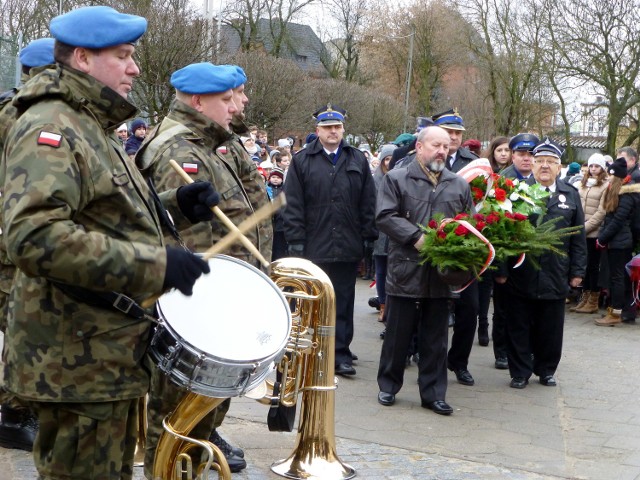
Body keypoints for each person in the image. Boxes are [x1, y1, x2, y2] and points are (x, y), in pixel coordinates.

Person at [1, 6, 216, 479]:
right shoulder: (51, 125)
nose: (135, 68)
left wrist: (174, 202)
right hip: (76, 359)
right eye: (123, 56)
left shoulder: (86, 119)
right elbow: (34, 236)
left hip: (101, 354)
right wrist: (154, 267)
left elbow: (105, 209)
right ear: (82, 58)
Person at [139, 62, 265, 475]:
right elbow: (184, 237)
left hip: (221, 290)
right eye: (228, 98)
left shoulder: (209, 143)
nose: (239, 104)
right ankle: (174, 460)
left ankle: (198, 442)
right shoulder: (180, 148)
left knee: (207, 396)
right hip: (197, 300)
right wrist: (219, 297)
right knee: (176, 406)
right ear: (198, 101)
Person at [375, 126, 472, 415]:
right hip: (406, 267)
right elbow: (384, 216)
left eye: (446, 146)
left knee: (436, 338)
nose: (442, 150)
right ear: (419, 147)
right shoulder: (397, 178)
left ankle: (433, 394)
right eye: (436, 145)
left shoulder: (458, 184)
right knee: (397, 334)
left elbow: (469, 223)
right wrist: (417, 238)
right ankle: (388, 386)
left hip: (442, 274)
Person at [283, 104, 377, 377]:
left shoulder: (356, 159)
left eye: (337, 127)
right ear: (318, 131)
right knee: (313, 301)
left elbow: (367, 201)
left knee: (344, 301)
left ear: (343, 129)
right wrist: (296, 241)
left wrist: (369, 236)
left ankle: (341, 354)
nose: (333, 132)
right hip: (315, 245)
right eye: (327, 128)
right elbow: (293, 204)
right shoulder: (302, 161)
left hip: (347, 244)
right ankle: (313, 351)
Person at [0, 36, 55, 453]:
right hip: (10, 243)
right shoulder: (19, 116)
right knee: (21, 327)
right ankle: (14, 414)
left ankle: (20, 408)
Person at [496, 138, 586, 389]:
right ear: (532, 164)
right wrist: (502, 269)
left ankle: (546, 369)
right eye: (540, 161)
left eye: (551, 162)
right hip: (521, 270)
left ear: (560, 167)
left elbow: (578, 235)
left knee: (551, 326)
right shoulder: (517, 192)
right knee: (519, 323)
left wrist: (578, 271)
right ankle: (520, 371)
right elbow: (503, 233)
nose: (545, 166)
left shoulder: (570, 194)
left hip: (556, 271)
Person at [430, 108, 479, 388]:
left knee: (469, 308)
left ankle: (459, 361)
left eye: (458, 133)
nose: (454, 137)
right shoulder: (420, 158)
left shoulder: (473, 164)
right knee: (427, 306)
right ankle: (426, 357)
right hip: (429, 243)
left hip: (463, 246)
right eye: (449, 132)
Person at [595, 157, 640, 325]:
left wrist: (602, 238)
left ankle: (616, 313)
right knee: (617, 277)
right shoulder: (618, 193)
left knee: (617, 278)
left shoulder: (627, 196)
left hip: (620, 242)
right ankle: (615, 311)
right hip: (616, 241)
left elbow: (618, 221)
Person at [572, 153, 609, 314]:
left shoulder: (605, 186)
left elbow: (602, 212)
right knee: (583, 267)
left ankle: (593, 299)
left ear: (602, 168)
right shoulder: (582, 183)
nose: (593, 169)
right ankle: (585, 297)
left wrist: (584, 228)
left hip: (594, 232)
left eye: (597, 166)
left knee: (593, 267)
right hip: (580, 231)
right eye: (591, 165)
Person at [372, 144, 397, 324]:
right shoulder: (376, 179)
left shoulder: (399, 178)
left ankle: (391, 305)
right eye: (386, 159)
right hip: (380, 231)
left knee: (393, 270)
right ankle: (382, 304)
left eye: (391, 159)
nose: (389, 163)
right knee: (381, 270)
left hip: (395, 231)